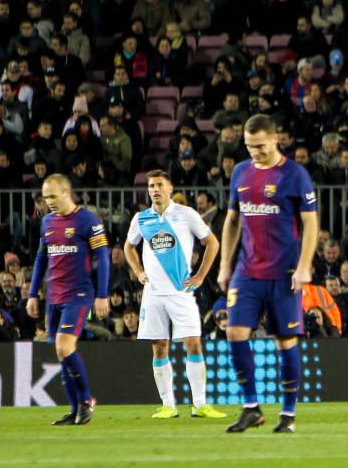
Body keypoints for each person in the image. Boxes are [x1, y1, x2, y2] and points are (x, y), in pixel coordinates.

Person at [217, 115, 319, 434]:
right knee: (235, 332)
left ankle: (287, 415)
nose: (255, 153)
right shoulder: (240, 173)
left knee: (285, 341)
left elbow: (311, 224)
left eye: (260, 146)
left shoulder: (294, 175)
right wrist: (224, 264)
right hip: (247, 271)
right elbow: (233, 220)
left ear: (276, 139)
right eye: (249, 147)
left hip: (283, 272)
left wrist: (303, 266)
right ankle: (251, 408)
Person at [123, 170, 226, 420]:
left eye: (159, 185)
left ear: (170, 188)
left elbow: (212, 243)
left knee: (193, 343)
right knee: (159, 347)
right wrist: (138, 271)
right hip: (153, 294)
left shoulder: (186, 214)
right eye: (151, 186)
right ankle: (168, 405)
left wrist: (201, 276)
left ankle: (199, 404)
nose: (155, 189)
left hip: (181, 292)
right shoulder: (141, 218)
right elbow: (128, 246)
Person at [26, 174, 110, 426]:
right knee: (61, 353)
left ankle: (86, 400)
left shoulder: (88, 220)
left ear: (66, 192)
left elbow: (103, 258)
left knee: (64, 346)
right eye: (45, 197)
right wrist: (32, 293)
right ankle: (74, 410)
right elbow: (42, 258)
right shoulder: (47, 222)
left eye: (52, 196)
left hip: (79, 294)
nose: (48, 201)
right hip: (54, 297)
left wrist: (102, 294)